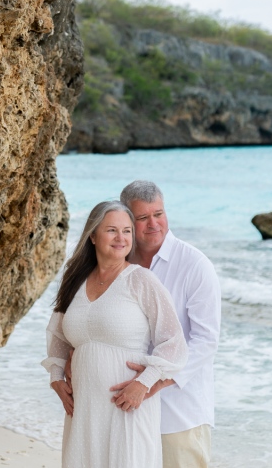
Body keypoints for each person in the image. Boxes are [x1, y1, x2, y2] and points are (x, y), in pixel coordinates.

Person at [41, 201, 187, 468]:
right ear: (93, 236)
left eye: (127, 231)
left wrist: (144, 383)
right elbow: (59, 336)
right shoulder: (74, 280)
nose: (121, 238)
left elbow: (174, 342)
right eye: (112, 230)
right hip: (84, 409)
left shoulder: (141, 280)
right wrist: (56, 379)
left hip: (127, 407)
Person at [95, 181, 222, 468]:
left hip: (178, 412)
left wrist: (152, 382)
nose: (154, 224)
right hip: (124, 409)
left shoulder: (195, 265)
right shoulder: (118, 262)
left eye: (159, 214)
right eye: (142, 218)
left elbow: (205, 341)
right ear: (127, 219)